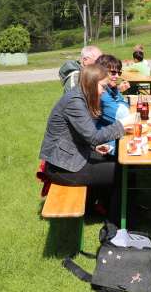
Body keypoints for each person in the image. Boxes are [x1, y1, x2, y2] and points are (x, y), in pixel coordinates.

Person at [40, 64, 135, 222]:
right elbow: (93, 137)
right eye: (103, 86)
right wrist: (122, 125)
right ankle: (118, 223)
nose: (104, 90)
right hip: (62, 167)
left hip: (71, 157)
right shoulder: (75, 102)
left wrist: (95, 147)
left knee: (116, 163)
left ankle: (99, 207)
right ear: (91, 83)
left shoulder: (81, 96)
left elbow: (84, 134)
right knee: (122, 173)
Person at [95, 55, 131, 152]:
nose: (117, 76)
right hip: (105, 145)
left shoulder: (109, 88)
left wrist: (116, 89)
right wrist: (119, 97)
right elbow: (124, 114)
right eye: (113, 73)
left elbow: (125, 107)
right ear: (101, 73)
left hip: (112, 137)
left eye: (119, 72)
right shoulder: (101, 93)